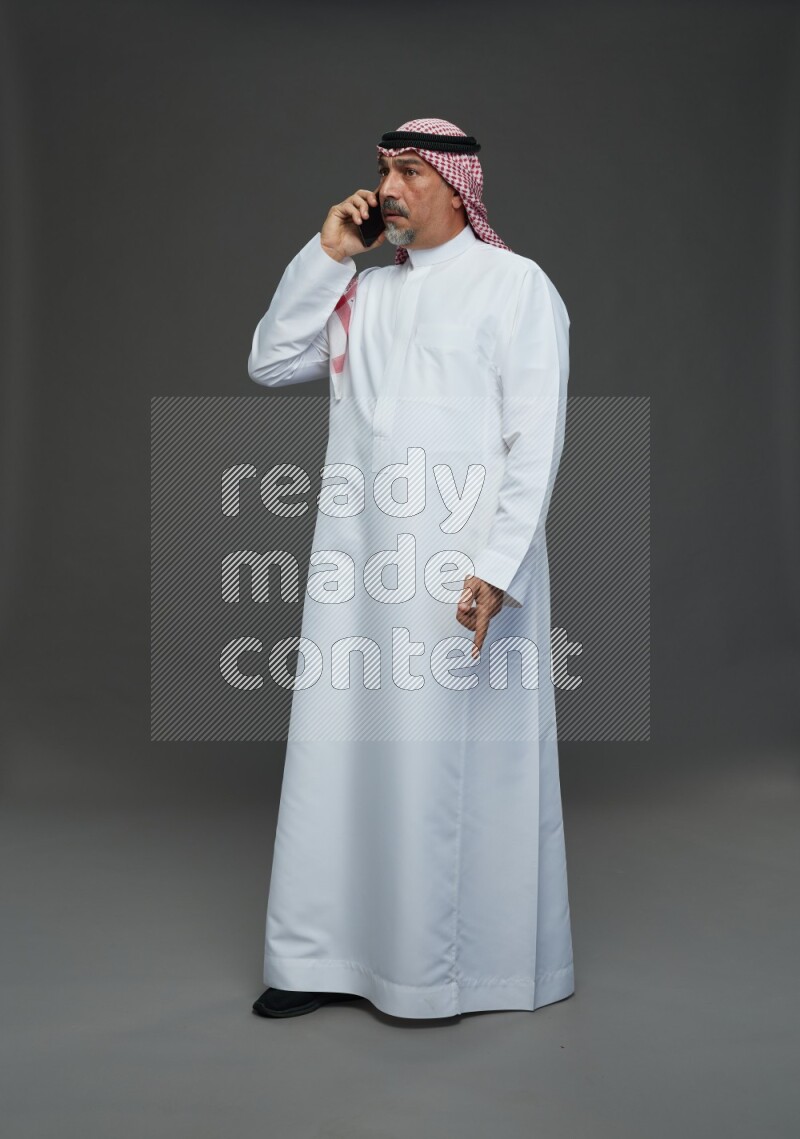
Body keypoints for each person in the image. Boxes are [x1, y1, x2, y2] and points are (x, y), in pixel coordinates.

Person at [248, 117, 574, 1020]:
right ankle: (319, 960)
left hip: (458, 577)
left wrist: (498, 566)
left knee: (443, 770)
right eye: (384, 171)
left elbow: (533, 438)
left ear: (459, 187)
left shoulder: (515, 287)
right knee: (340, 756)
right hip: (357, 575)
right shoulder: (362, 295)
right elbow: (271, 362)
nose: (389, 189)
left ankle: (440, 974)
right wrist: (325, 258)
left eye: (410, 172)